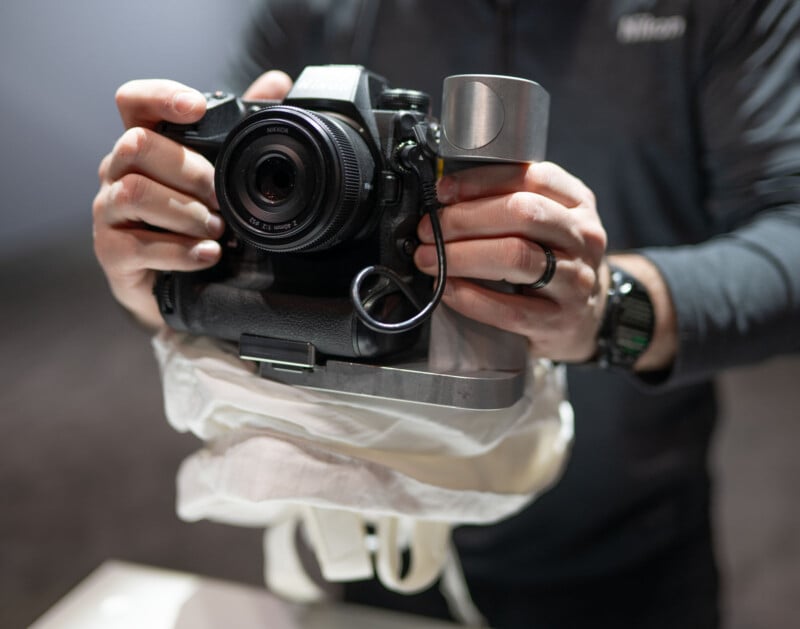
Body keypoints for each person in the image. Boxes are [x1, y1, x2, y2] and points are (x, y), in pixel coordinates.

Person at [92, 1, 800, 627]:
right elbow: (249, 214)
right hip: (352, 513)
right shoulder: (312, 9)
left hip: (613, 537)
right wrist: (162, 278)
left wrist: (610, 308)